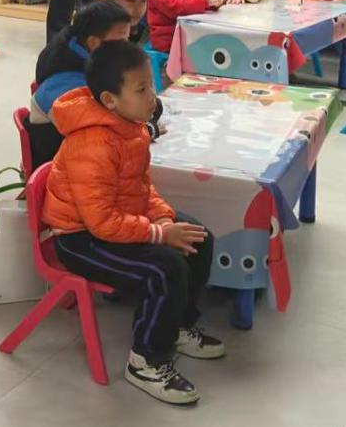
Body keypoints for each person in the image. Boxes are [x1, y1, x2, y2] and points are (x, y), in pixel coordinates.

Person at [43, 41, 224, 405]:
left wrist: (163, 217)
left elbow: (141, 187)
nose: (152, 97)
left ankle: (177, 326)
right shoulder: (93, 143)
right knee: (165, 268)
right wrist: (158, 234)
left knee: (198, 238)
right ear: (109, 100)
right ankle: (146, 361)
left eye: (151, 85)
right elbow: (101, 222)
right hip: (80, 238)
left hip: (114, 221)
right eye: (141, 90)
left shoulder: (131, 126)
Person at [28, 0, 132, 170]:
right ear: (94, 43)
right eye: (121, 41)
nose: (127, 48)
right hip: (61, 170)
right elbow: (99, 130)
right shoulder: (65, 83)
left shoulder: (89, 54)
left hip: (82, 155)